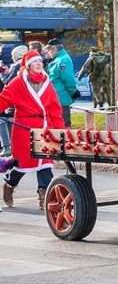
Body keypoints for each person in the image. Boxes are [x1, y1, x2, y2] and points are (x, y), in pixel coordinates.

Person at [0, 50, 65, 210]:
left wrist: (59, 130)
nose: (39, 64)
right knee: (23, 163)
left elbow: (54, 108)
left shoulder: (47, 83)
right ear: (28, 65)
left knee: (46, 163)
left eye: (40, 61)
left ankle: (44, 196)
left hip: (45, 128)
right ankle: (10, 183)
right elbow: (5, 99)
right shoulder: (18, 82)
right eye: (35, 62)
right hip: (24, 129)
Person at [0, 45, 28, 157]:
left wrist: (2, 74)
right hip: (15, 99)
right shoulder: (23, 65)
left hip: (12, 99)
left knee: (10, 123)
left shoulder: (17, 65)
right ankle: (13, 148)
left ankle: (12, 148)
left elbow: (8, 81)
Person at [44, 38, 79, 127]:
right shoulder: (59, 59)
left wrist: (73, 93)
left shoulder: (62, 60)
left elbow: (68, 79)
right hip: (58, 98)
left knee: (63, 126)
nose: (48, 53)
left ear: (54, 49)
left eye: (49, 50)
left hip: (61, 98)